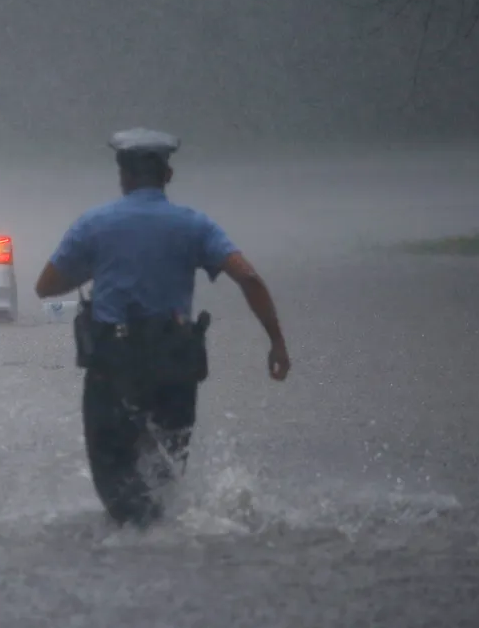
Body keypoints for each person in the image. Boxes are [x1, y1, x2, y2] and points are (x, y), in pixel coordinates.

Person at [34, 127, 291, 526]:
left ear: (123, 176)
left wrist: (95, 267)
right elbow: (250, 279)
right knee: (165, 475)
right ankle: (163, 547)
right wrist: (276, 343)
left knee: (115, 482)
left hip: (112, 366)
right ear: (167, 176)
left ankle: (127, 553)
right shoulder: (195, 225)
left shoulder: (93, 224)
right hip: (174, 364)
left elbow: (45, 286)